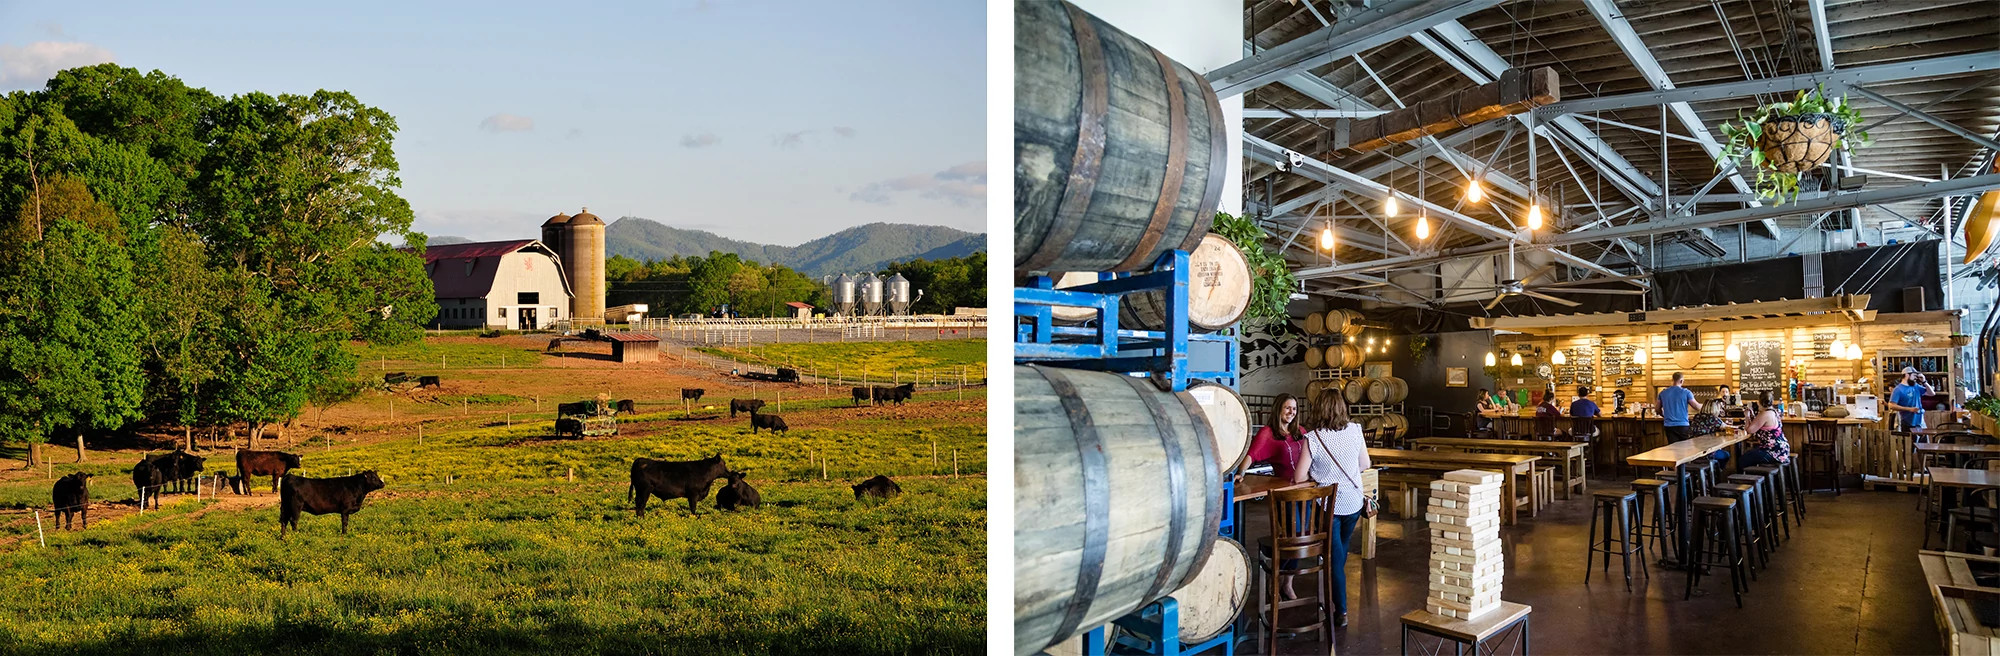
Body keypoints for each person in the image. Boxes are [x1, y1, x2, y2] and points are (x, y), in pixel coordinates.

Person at [1295, 391, 1370, 628]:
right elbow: (1365, 464)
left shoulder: (1314, 438)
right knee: (1340, 551)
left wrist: (1317, 474)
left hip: (1329, 505)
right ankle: (1337, 594)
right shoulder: (1356, 430)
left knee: (1334, 559)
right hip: (1354, 503)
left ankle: (1342, 611)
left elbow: (1298, 477)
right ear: (1342, 407)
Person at [1241, 393, 1307, 481]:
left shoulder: (1301, 431)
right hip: (1284, 487)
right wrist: (1240, 473)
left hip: (1306, 484)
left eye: (1294, 409)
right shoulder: (1267, 432)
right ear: (1278, 409)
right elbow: (1251, 455)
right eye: (1287, 408)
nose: (1292, 412)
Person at [1740, 390, 1791, 470]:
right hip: (1782, 450)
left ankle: (1747, 481)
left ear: (1760, 402)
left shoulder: (1764, 414)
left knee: (1743, 459)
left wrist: (1747, 416)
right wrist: (1753, 416)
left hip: (1773, 452)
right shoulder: (1774, 412)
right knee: (1751, 454)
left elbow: (1749, 430)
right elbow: (1759, 424)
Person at [1659, 372, 1701, 442]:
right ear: (1681, 381)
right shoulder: (1686, 392)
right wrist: (1707, 405)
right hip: (1683, 425)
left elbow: (1657, 409)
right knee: (1685, 448)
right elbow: (1696, 406)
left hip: (1668, 426)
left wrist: (1663, 415)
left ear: (1672, 380)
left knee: (1673, 448)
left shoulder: (1663, 393)